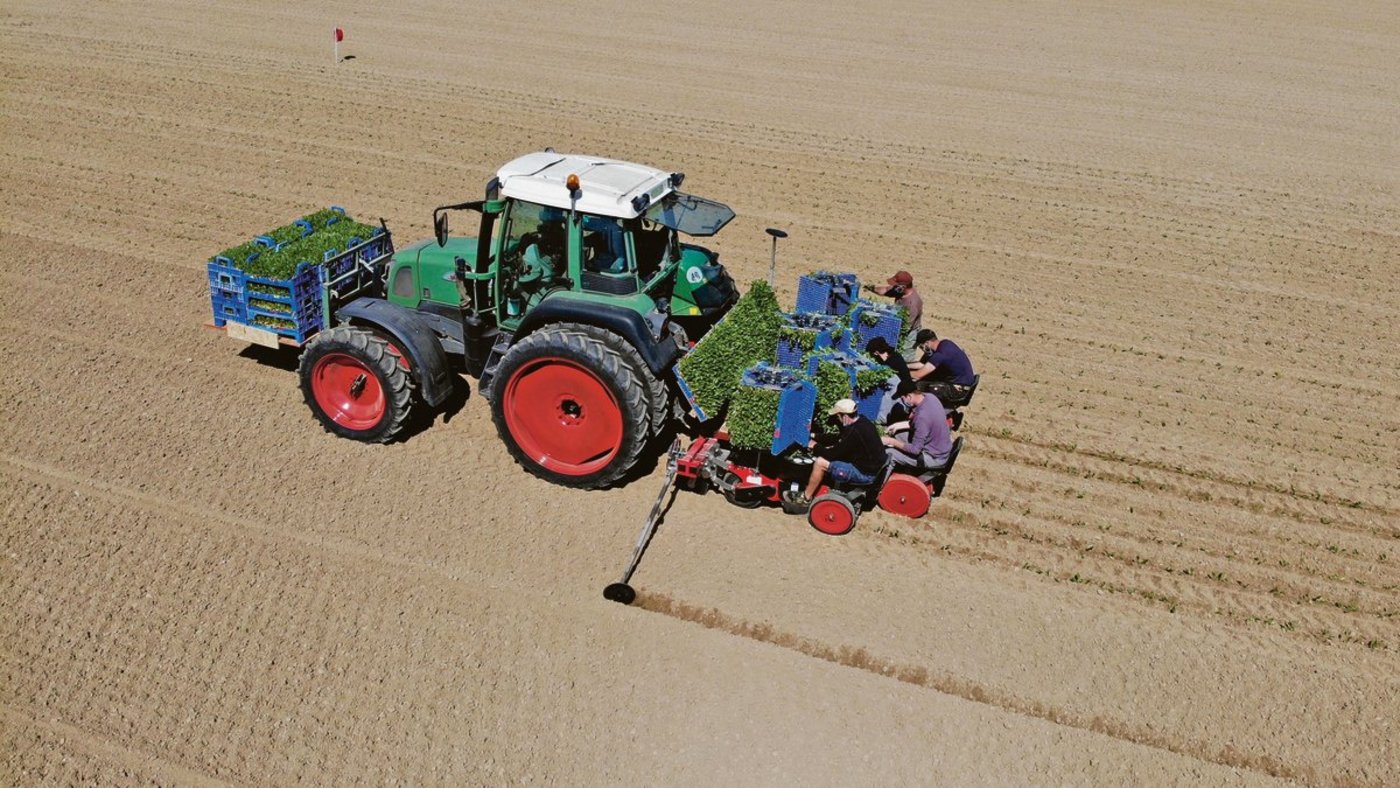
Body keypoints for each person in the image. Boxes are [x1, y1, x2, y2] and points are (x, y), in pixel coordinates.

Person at [784, 399, 885, 511]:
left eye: (838, 416)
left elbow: (831, 455)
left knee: (820, 462)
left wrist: (815, 446)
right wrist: (813, 436)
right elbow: (838, 438)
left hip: (865, 474)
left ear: (845, 416)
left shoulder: (854, 432)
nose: (838, 419)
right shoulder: (862, 422)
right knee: (826, 452)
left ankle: (805, 498)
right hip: (871, 467)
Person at [882, 380, 953, 471]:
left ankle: (880, 484)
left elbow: (915, 450)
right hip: (941, 448)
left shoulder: (922, 417)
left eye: (902, 398)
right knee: (898, 435)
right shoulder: (930, 397)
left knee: (889, 453)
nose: (902, 401)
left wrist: (890, 441)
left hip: (933, 458)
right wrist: (897, 425)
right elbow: (918, 422)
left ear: (909, 396)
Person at [908, 328, 976, 407]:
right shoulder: (945, 344)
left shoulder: (941, 354)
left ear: (926, 344)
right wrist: (905, 365)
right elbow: (924, 364)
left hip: (957, 390)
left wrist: (900, 372)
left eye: (921, 347)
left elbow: (918, 375)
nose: (922, 350)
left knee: (917, 387)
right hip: (963, 384)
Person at [863, 270, 923, 347]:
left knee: (903, 354)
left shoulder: (912, 304)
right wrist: (870, 288)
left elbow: (905, 327)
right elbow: (884, 290)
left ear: (903, 286)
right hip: (899, 320)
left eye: (896, 285)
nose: (894, 287)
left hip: (908, 334)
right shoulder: (900, 290)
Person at [865, 336, 912, 422]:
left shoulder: (890, 364)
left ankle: (882, 419)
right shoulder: (895, 355)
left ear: (876, 353)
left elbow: (883, 372)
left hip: (901, 393)